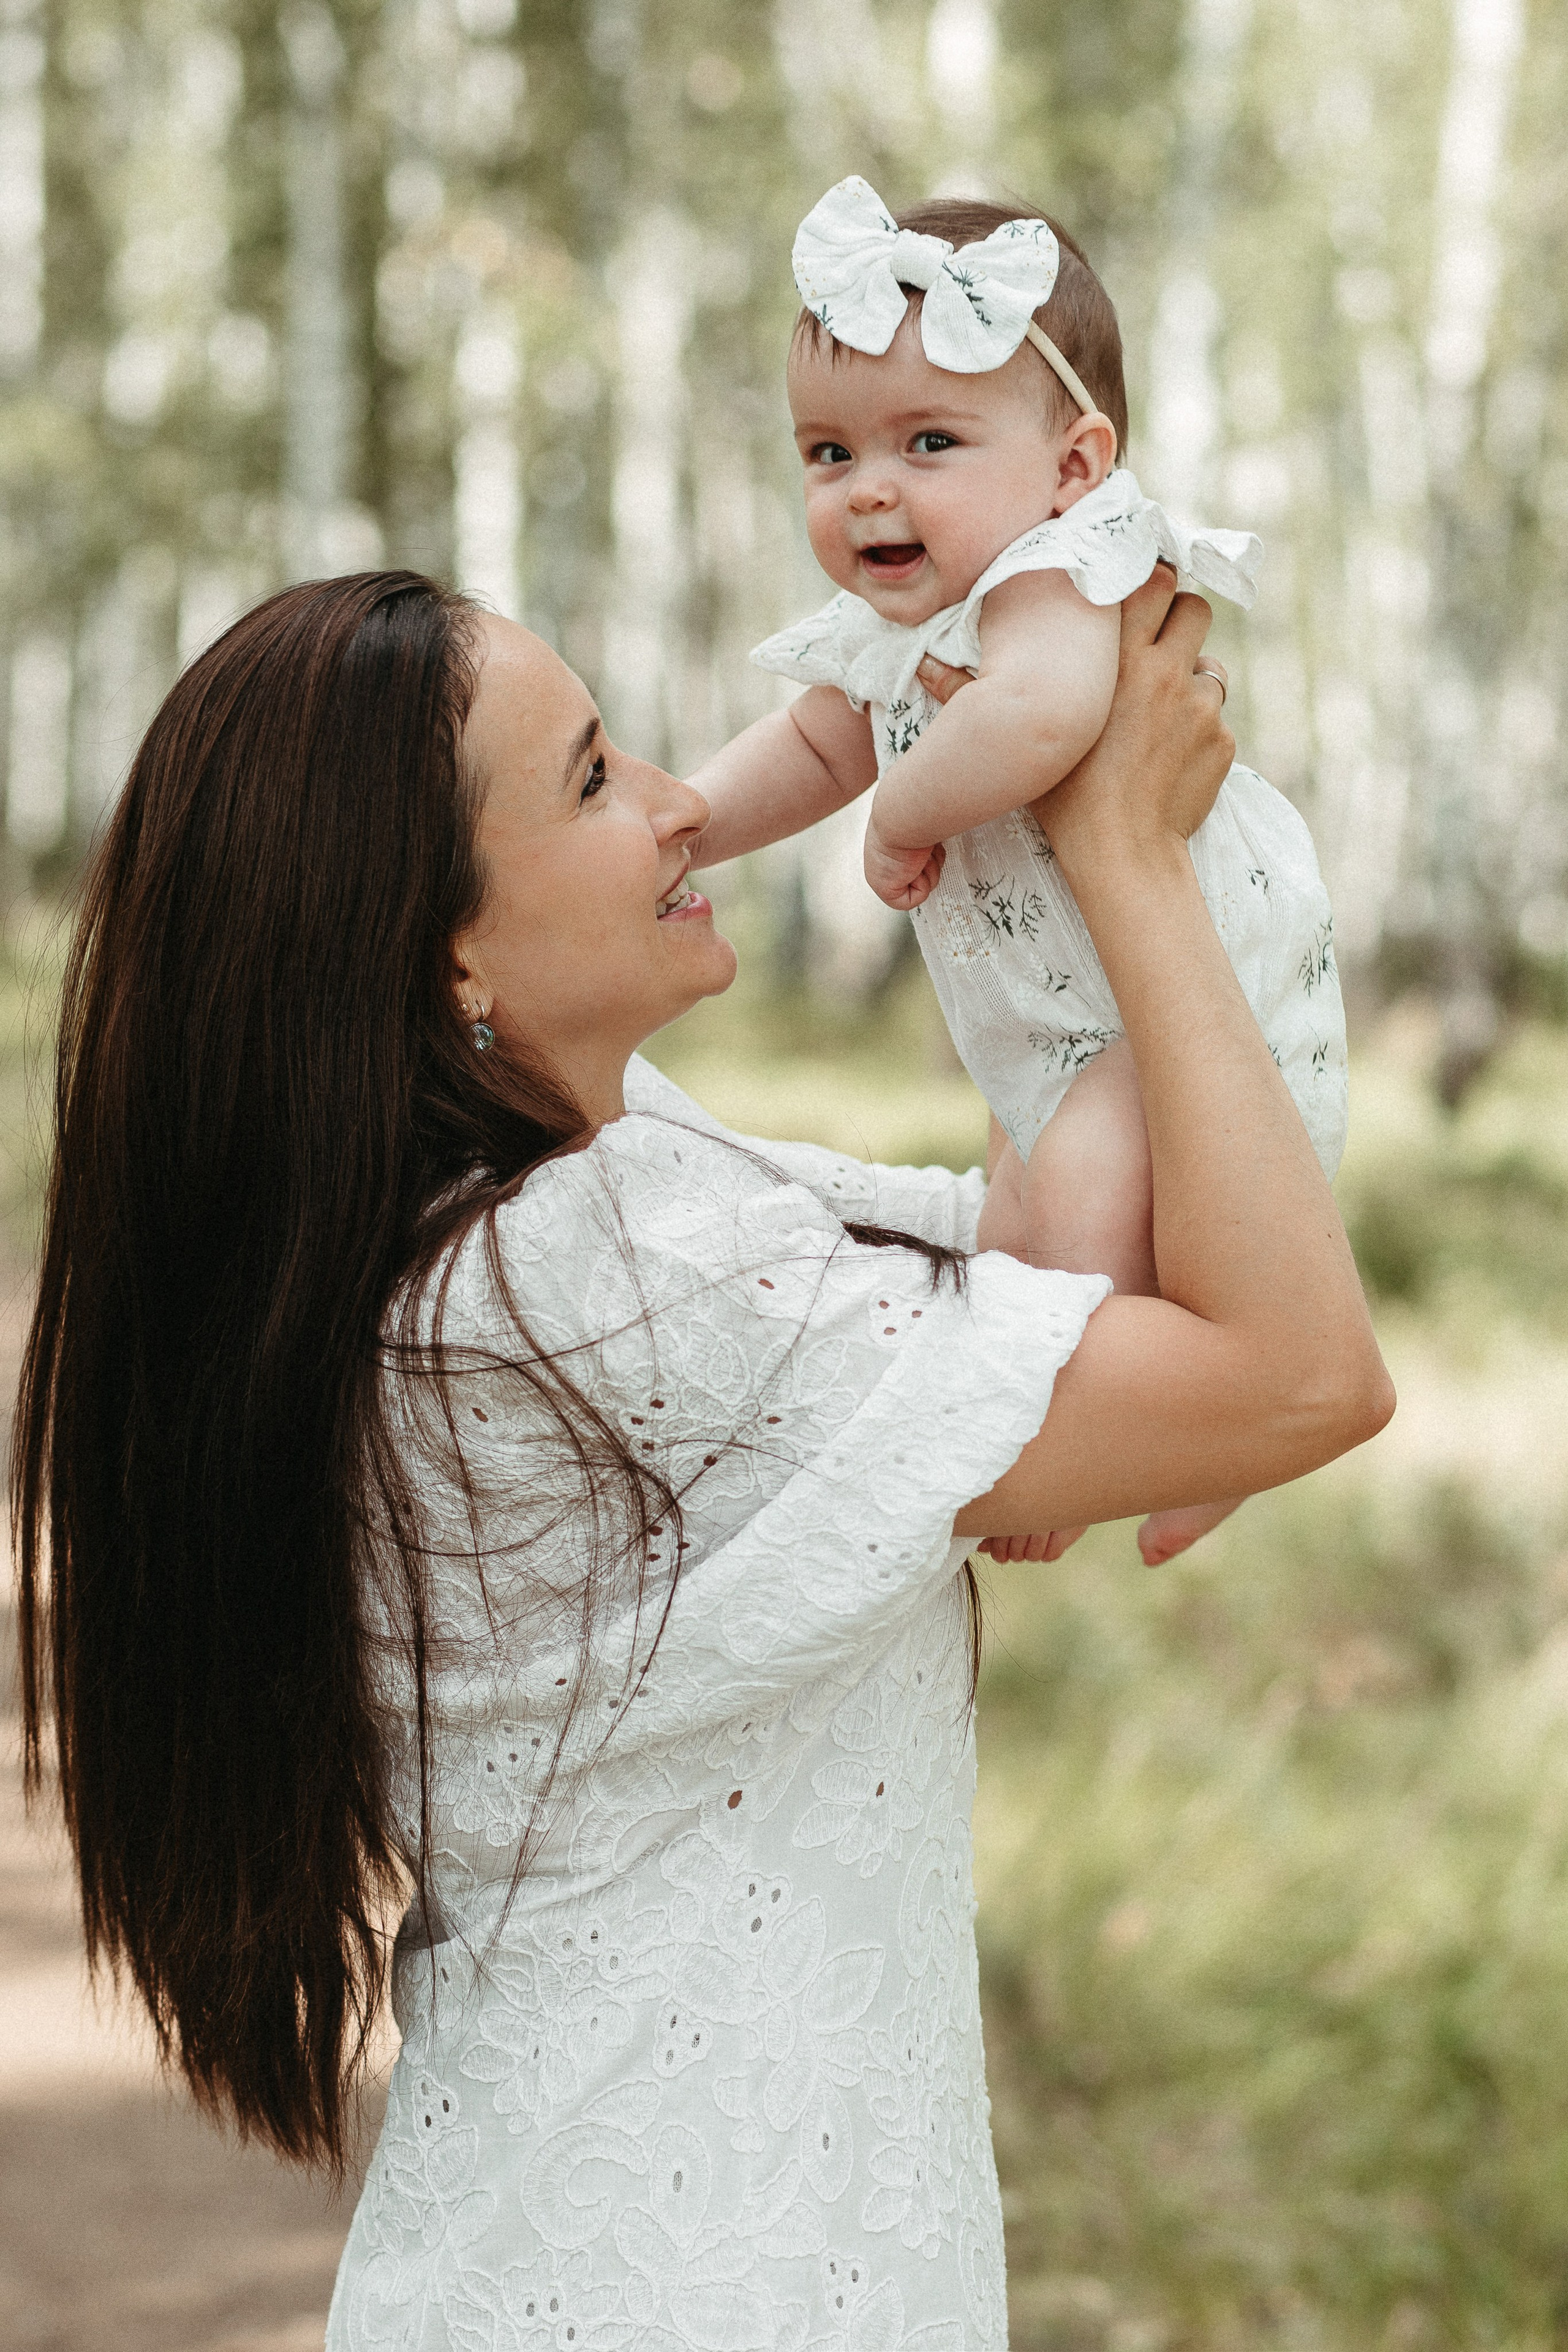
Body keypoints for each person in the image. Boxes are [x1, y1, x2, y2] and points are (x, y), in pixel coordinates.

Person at [14, 566, 1390, 2351]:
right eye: (593, 779)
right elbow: (1298, 1374)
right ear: (439, 951)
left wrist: (1021, 879)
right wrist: (1130, 865)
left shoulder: (484, 1229)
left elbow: (1037, 1266)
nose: (679, 802)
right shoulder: (597, 1271)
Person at [689, 177, 1349, 1566]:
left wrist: (902, 813)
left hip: (1168, 977)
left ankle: (1082, 1437)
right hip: (1053, 1014)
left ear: (1069, 465)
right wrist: (687, 820)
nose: (868, 486)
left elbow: (1040, 716)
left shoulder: (1061, 574)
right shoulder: (912, 611)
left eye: (928, 440)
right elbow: (816, 743)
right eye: (827, 453)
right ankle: (1152, 1431)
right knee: (1023, 1208)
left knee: (1096, 1197)